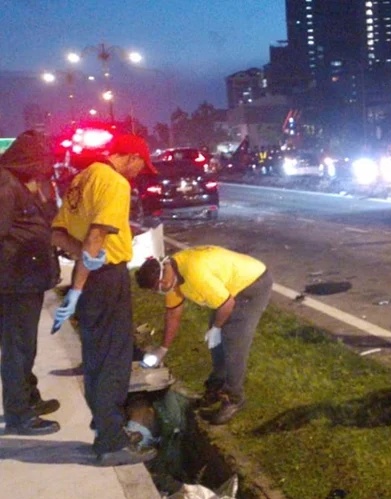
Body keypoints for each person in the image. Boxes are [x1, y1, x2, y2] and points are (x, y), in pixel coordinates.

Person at [50, 134, 159, 466]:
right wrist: (81, 283)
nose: (140, 172)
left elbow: (56, 232)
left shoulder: (82, 178)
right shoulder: (114, 182)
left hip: (91, 274)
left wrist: (82, 267)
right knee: (113, 358)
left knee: (96, 356)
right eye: (141, 164)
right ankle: (111, 443)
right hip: (106, 278)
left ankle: (104, 427)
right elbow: (97, 234)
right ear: (130, 157)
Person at [134, 245, 273, 425]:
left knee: (233, 340)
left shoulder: (194, 274)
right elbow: (173, 313)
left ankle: (234, 398)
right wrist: (163, 348)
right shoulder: (172, 275)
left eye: (156, 288)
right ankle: (216, 387)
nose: (158, 292)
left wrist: (217, 327)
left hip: (252, 284)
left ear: (162, 278)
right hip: (228, 289)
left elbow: (227, 305)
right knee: (216, 343)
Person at [0, 130, 62, 435]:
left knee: (25, 346)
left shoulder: (23, 184)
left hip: (25, 279)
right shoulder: (5, 184)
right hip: (14, 281)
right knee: (18, 348)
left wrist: (42, 193)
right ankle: (18, 414)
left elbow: (48, 219)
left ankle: (28, 398)